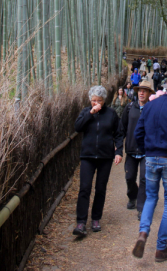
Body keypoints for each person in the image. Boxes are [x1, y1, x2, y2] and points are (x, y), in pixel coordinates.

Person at [132, 74, 167, 263]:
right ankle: (161, 248)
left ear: (166, 89)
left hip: (150, 157)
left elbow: (137, 133)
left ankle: (143, 232)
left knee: (150, 197)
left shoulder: (149, 106)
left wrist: (146, 150)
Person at [73, 86, 123, 237]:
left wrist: (119, 151)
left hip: (105, 157)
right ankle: (81, 222)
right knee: (84, 188)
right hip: (87, 156)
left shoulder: (111, 114)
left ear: (104, 100)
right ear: (90, 100)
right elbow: (78, 127)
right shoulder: (85, 112)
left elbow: (119, 134)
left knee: (100, 189)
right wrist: (90, 113)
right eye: (93, 100)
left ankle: (96, 218)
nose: (96, 103)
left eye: (99, 100)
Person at [121, 79, 155, 219]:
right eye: (140, 90)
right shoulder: (130, 108)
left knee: (144, 179)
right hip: (131, 149)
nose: (141, 93)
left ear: (148, 93)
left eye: (144, 91)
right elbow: (122, 128)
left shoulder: (152, 109)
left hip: (146, 151)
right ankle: (132, 196)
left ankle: (141, 208)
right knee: (129, 177)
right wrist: (117, 148)